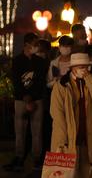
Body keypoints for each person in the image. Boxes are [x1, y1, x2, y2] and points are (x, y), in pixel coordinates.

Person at [50, 53, 92, 178]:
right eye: (81, 67)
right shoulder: (61, 85)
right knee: (67, 173)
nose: (84, 70)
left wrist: (90, 79)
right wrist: (62, 140)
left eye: (86, 67)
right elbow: (57, 113)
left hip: (88, 136)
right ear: (73, 68)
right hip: (69, 137)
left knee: (88, 172)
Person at [5, 33, 49, 172]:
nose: (37, 47)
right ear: (26, 44)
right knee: (20, 131)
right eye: (34, 44)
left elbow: (41, 82)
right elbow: (16, 81)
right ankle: (19, 158)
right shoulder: (17, 60)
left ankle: (37, 159)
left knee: (37, 131)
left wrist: (33, 99)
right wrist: (26, 98)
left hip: (36, 100)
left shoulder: (40, 62)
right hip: (21, 100)